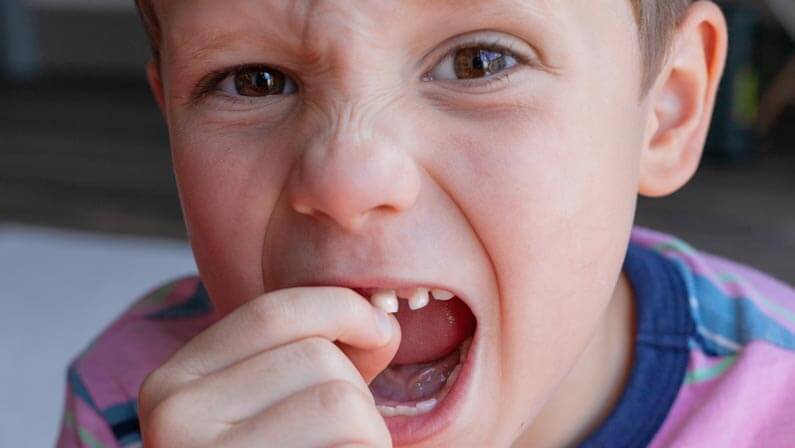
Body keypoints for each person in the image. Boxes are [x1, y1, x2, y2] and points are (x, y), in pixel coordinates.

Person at [56, 0, 795, 446]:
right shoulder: (131, 400)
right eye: (254, 81)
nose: (345, 179)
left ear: (666, 109)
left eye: (478, 62)